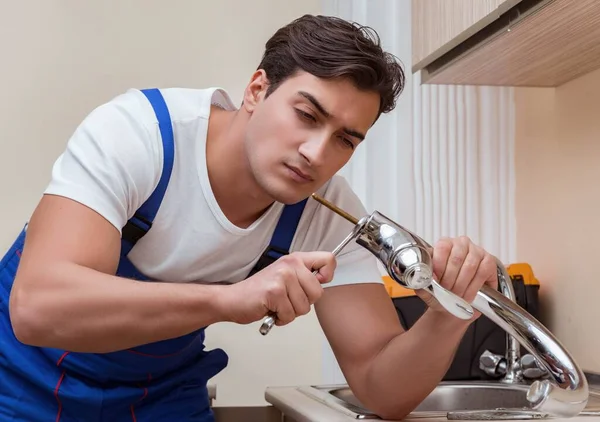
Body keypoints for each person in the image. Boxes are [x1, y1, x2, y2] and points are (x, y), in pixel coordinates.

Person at [0, 13, 498, 422]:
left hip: (160, 397)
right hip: (20, 383)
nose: (315, 153)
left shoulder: (325, 212)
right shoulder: (140, 135)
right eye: (307, 115)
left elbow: (382, 391)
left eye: (345, 139)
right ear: (257, 90)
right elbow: (38, 307)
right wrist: (228, 300)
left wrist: (447, 314)